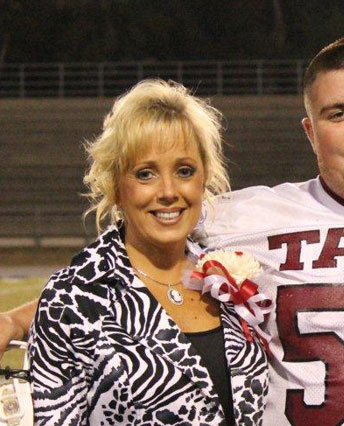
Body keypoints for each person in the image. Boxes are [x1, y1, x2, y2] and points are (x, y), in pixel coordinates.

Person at [1, 37, 344, 424]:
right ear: (311, 132)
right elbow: (136, 266)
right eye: (338, 113)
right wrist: (19, 318)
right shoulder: (239, 218)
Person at [27, 80, 268, 425]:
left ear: (203, 178)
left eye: (184, 171)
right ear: (115, 186)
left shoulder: (225, 277)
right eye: (145, 174)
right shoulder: (73, 298)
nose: (168, 191)